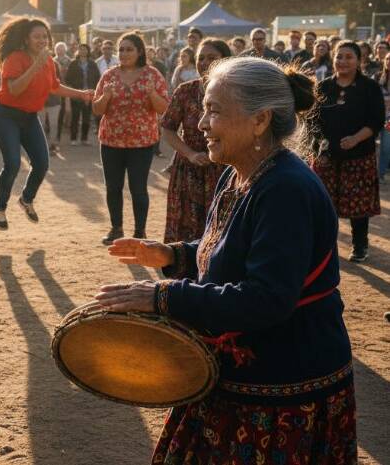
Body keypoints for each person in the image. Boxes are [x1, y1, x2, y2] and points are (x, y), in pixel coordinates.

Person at [98, 57, 356, 465]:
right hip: (234, 375)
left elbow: (266, 298)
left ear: (260, 121)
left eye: (214, 111)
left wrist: (163, 296)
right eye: (204, 109)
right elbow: (231, 247)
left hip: (283, 387)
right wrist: (175, 255)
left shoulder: (285, 189)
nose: (201, 124)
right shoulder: (239, 173)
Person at [0, 17, 92, 229]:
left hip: (29, 117)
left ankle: (26, 199)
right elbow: (15, 89)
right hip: (6, 115)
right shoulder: (15, 58)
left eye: (45, 36)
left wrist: (81, 94)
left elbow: (54, 87)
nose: (42, 40)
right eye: (37, 36)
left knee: (42, 163)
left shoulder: (49, 62)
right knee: (13, 164)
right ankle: (0, 208)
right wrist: (35, 64)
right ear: (26, 39)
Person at [309, 40, 384, 262]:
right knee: (323, 205)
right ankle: (323, 247)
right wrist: (319, 144)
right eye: (339, 56)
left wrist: (355, 139)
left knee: (358, 205)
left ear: (359, 60)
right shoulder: (323, 87)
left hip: (358, 156)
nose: (342, 61)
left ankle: (359, 245)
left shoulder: (369, 88)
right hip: (326, 157)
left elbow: (377, 120)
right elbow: (312, 120)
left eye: (349, 57)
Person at [92, 32, 169, 244]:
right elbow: (97, 110)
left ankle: (139, 232)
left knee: (138, 187)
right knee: (113, 187)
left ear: (140, 51)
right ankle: (116, 229)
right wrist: (106, 96)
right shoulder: (108, 76)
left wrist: (152, 94)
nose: (124, 53)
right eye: (122, 49)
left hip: (141, 143)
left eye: (129, 49)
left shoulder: (152, 75)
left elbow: (164, 108)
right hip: (111, 141)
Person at [160, 38, 231, 242]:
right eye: (201, 58)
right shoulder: (185, 91)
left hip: (224, 169)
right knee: (186, 229)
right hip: (188, 169)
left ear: (224, 60)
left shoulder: (235, 93)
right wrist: (190, 154)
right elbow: (167, 128)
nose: (204, 62)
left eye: (211, 58)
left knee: (221, 229)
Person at [65, 43, 100, 146]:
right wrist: (71, 93)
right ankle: (73, 138)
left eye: (85, 49)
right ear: (78, 51)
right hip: (76, 95)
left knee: (86, 118)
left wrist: (94, 93)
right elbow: (68, 79)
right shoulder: (73, 64)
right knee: (75, 117)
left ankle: (84, 139)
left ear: (88, 51)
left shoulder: (93, 64)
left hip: (89, 95)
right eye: (80, 49)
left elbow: (97, 79)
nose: (82, 51)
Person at [377, 53, 390, 182]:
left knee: (386, 148)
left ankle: (380, 174)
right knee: (370, 146)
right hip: (376, 116)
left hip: (389, 120)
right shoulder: (377, 76)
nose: (389, 61)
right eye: (387, 58)